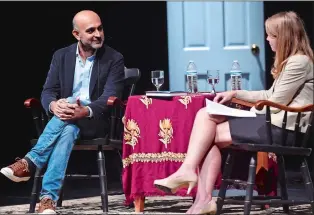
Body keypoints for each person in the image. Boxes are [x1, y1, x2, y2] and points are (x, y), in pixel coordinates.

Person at [154, 11, 314, 214]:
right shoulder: (293, 61)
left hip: (284, 129)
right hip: (273, 122)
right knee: (205, 115)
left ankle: (199, 192)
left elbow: (276, 101)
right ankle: (198, 192)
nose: (266, 39)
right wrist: (235, 93)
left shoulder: (299, 62)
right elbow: (270, 94)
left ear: (284, 37)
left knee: (208, 131)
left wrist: (246, 111)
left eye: (271, 35)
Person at [0, 10, 125, 214]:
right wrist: (53, 105)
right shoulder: (62, 55)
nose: (98, 34)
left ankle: (30, 162)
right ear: (76, 34)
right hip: (66, 120)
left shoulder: (114, 58)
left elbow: (108, 97)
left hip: (96, 121)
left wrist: (84, 111)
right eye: (90, 30)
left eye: (100, 28)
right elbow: (49, 91)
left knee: (67, 114)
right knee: (67, 129)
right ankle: (47, 200)